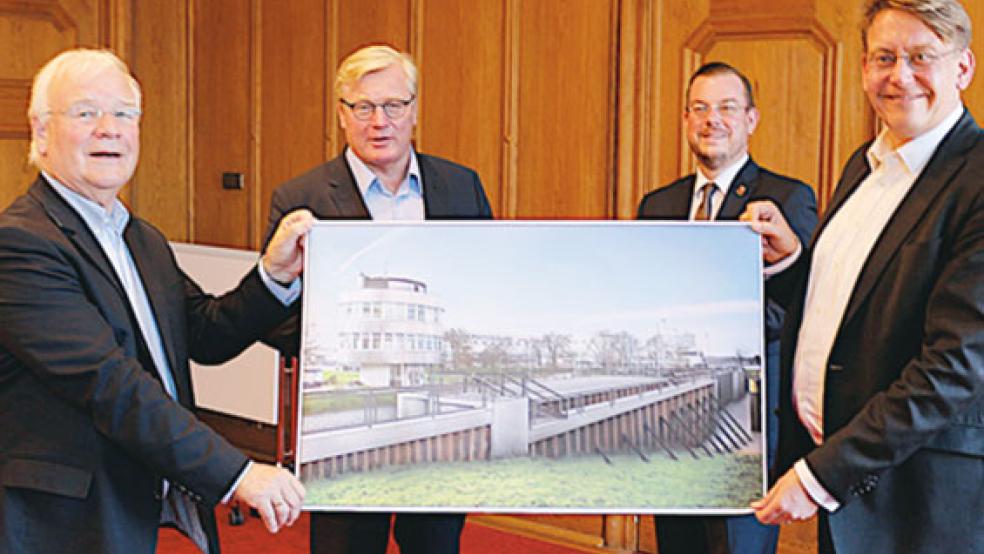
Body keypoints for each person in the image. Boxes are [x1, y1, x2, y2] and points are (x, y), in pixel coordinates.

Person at [0, 49, 314, 554]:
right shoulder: (20, 245)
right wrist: (236, 472)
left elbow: (208, 333)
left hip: (134, 504)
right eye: (85, 113)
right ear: (40, 132)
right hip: (64, 523)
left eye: (125, 114)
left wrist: (274, 275)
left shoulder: (141, 239)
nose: (110, 128)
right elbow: (111, 383)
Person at [743, 1, 983, 552]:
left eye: (922, 57)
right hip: (849, 491)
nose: (900, 76)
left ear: (962, 68)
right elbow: (858, 302)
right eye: (884, 57)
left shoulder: (977, 177)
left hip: (919, 502)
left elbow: (954, 366)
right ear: (863, 69)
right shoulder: (864, 165)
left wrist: (823, 475)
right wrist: (788, 263)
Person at [264, 45, 492, 554]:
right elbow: (272, 318)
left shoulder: (461, 187)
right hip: (345, 430)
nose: (379, 121)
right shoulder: (300, 199)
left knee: (435, 544)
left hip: (435, 419)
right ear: (341, 115)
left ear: (414, 110)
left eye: (393, 105)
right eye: (362, 107)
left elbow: (482, 286)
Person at [638, 62, 817, 554]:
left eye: (726, 108)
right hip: (671, 423)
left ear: (751, 119)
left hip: (749, 426)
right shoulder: (657, 206)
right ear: (685, 118)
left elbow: (798, 305)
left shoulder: (786, 198)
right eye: (700, 108)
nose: (711, 119)